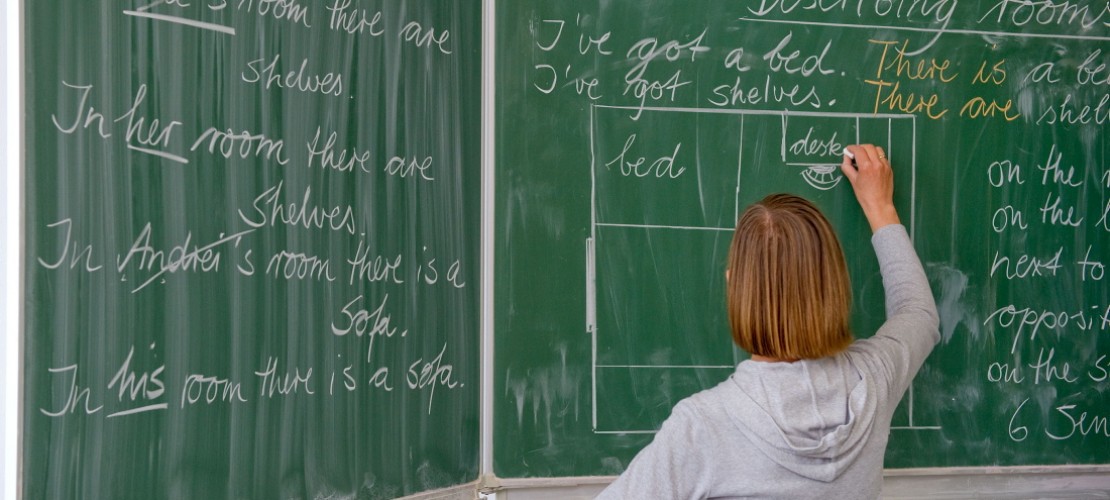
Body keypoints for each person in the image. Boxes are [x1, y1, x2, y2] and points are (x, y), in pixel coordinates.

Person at [596, 144, 940, 499]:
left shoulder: (702, 428)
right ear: (835, 283)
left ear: (734, 284)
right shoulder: (874, 378)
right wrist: (880, 207)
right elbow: (918, 314)